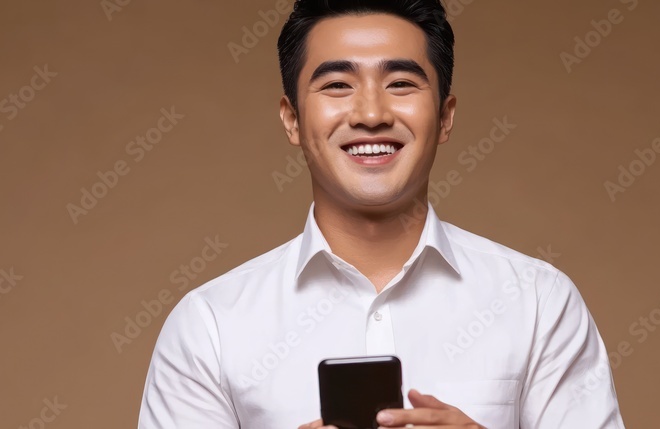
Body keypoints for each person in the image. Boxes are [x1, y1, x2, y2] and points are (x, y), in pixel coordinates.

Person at [137, 1, 625, 427]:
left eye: (401, 82)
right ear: (291, 119)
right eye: (336, 85)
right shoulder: (210, 326)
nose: (371, 112)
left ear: (446, 116)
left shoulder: (540, 303)